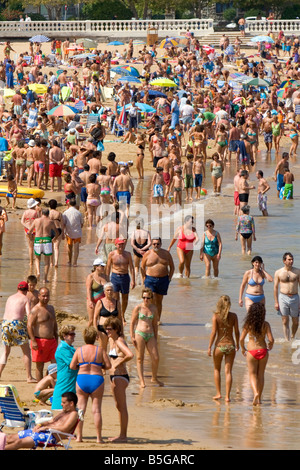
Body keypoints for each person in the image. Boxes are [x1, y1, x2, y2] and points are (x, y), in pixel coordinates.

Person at [70, 326, 111, 443]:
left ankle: (79, 437)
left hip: (82, 378)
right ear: (95, 337)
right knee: (96, 410)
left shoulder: (79, 350)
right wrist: (99, 366)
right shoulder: (100, 350)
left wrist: (81, 366)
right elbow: (108, 365)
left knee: (81, 409)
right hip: (97, 379)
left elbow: (72, 366)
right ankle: (99, 438)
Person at [5, 392, 79, 450]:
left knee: (18, 442)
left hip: (50, 437)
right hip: (41, 432)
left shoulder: (73, 414)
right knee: (9, 438)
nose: (61, 404)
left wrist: (46, 428)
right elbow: (50, 421)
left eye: (64, 402)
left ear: (71, 403)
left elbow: (64, 428)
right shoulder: (64, 413)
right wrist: (39, 425)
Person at [104, 316, 133, 443]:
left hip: (120, 376)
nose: (107, 331)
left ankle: (123, 436)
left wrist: (117, 363)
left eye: (109, 329)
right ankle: (122, 434)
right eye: (106, 329)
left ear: (116, 329)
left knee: (122, 407)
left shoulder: (119, 341)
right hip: (115, 377)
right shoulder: (113, 340)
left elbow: (130, 354)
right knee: (118, 406)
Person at [0, 281, 36, 383]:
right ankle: (29, 377)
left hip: (5, 324)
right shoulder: (25, 298)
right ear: (26, 291)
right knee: (26, 352)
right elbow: (29, 315)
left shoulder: (10, 297)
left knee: (6, 352)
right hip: (16, 324)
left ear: (17, 289)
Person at [240, 303, 274, 405]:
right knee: (261, 375)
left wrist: (243, 349)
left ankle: (255, 393)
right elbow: (271, 339)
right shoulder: (265, 324)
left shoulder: (248, 324)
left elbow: (241, 339)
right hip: (263, 351)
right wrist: (270, 344)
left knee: (252, 374)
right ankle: (259, 398)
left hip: (251, 352)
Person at [207, 295, 239, 402]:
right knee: (228, 371)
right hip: (230, 346)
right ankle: (227, 397)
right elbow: (237, 332)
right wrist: (238, 344)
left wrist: (209, 347)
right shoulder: (234, 316)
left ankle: (218, 393)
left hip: (219, 346)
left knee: (217, 369)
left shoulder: (216, 316)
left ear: (219, 304)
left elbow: (213, 333)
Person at [130, 288, 163, 388]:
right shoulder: (138, 308)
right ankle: (142, 381)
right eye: (144, 297)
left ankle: (154, 378)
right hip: (140, 333)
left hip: (151, 334)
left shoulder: (154, 308)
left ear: (151, 298)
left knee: (156, 358)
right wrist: (132, 336)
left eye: (148, 298)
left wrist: (156, 337)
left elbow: (155, 324)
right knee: (140, 358)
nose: (145, 300)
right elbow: (132, 322)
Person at [27, 287, 58, 382]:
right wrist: (33, 341)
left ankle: (47, 380)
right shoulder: (35, 310)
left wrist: (57, 338)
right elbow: (29, 326)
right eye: (43, 296)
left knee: (55, 365)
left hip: (52, 341)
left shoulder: (51, 308)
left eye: (47, 296)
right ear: (39, 296)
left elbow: (54, 323)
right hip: (39, 341)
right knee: (40, 366)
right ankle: (40, 387)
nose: (45, 298)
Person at [141, 237, 175, 323]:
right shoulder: (147, 254)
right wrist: (144, 278)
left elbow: (172, 267)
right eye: (154, 244)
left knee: (159, 301)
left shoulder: (166, 254)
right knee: (151, 299)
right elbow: (142, 267)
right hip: (150, 279)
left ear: (161, 244)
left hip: (163, 279)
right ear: (151, 244)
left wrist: (169, 278)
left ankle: (158, 320)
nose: (156, 245)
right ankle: (150, 318)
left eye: (158, 244)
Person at [106, 238, 135, 324]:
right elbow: (108, 267)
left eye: (122, 244)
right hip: (115, 277)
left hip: (125, 277)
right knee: (115, 298)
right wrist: (107, 280)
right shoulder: (111, 254)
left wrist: (133, 280)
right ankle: (117, 315)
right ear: (116, 245)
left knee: (125, 298)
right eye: (119, 244)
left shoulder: (128, 254)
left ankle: (122, 315)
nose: (121, 246)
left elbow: (132, 268)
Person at [28, 208, 59, 283]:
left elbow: (29, 231)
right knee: (47, 260)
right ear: (48, 214)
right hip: (47, 240)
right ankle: (45, 278)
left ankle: (38, 272)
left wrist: (31, 238)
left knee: (37, 258)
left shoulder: (36, 220)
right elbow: (57, 232)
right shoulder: (50, 221)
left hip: (38, 239)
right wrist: (53, 239)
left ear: (41, 213)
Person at [274, 252, 300, 341]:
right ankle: (287, 340)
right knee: (285, 320)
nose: (291, 261)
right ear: (284, 261)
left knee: (296, 321)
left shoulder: (297, 271)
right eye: (289, 259)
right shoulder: (278, 272)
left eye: (292, 259)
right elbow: (275, 288)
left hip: (295, 297)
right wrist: (276, 302)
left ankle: (292, 336)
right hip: (283, 297)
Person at [51, 325, 78, 410]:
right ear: (64, 335)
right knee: (61, 411)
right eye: (71, 334)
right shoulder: (63, 348)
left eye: (74, 334)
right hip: (65, 381)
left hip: (69, 381)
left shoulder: (69, 348)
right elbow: (73, 365)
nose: (73, 336)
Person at [93, 282, 123, 349]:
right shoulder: (100, 302)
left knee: (113, 349)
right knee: (102, 350)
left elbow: (120, 318)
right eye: (108, 290)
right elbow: (95, 318)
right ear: (104, 291)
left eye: (111, 290)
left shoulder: (117, 302)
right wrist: (96, 331)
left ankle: (112, 360)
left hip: (114, 329)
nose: (109, 292)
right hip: (102, 328)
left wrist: (122, 331)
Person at [86, 258, 109, 327]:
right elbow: (88, 289)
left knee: (102, 320)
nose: (103, 268)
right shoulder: (90, 277)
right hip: (93, 300)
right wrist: (90, 301)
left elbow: (109, 288)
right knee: (91, 320)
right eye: (101, 266)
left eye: (103, 266)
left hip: (103, 301)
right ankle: (86, 335)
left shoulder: (105, 276)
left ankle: (99, 335)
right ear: (96, 267)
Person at [62, 198, 84, 267]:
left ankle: (69, 261)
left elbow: (63, 224)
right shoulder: (79, 213)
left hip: (69, 232)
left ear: (69, 204)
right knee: (76, 248)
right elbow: (82, 224)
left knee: (69, 247)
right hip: (77, 232)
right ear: (76, 204)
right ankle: (75, 263)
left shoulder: (65, 212)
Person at [130, 217, 151, 285]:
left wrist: (138, 250)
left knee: (136, 267)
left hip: (136, 251)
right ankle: (143, 282)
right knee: (143, 267)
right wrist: (143, 249)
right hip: (145, 251)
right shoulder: (147, 232)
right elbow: (149, 243)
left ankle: (136, 282)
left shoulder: (134, 232)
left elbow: (132, 244)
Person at [21, 198, 40, 266]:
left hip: (27, 230)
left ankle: (31, 262)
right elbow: (38, 220)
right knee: (35, 245)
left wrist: (28, 227)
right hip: (35, 229)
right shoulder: (35, 212)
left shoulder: (25, 212)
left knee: (30, 246)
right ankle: (36, 260)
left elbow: (22, 221)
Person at [49, 198, 64, 268]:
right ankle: (56, 262)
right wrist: (63, 234)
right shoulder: (59, 214)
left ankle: (51, 262)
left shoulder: (48, 213)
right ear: (56, 206)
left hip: (49, 230)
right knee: (56, 248)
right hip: (58, 230)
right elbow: (62, 224)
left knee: (50, 247)